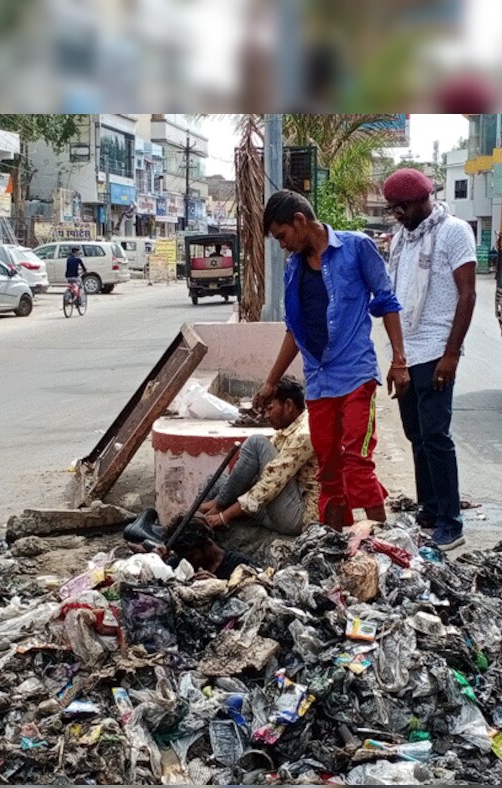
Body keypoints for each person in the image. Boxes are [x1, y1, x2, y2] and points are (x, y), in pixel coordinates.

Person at [254, 189, 409, 530]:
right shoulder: (294, 270)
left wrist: (399, 361)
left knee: (357, 460)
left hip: (356, 373)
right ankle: (337, 544)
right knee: (328, 467)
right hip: (320, 382)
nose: (283, 246)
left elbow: (386, 302)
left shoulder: (356, 248)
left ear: (299, 221)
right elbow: (294, 331)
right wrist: (270, 383)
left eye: (282, 236)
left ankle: (382, 540)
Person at [382, 167, 477, 551]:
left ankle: (451, 522)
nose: (398, 214)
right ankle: (429, 509)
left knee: (437, 436)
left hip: (438, 348)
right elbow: (395, 296)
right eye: (392, 208)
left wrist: (452, 354)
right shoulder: (400, 241)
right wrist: (396, 357)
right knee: (416, 435)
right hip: (408, 351)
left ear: (423, 199)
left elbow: (467, 295)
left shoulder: (453, 231)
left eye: (402, 206)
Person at [198, 376, 319, 536]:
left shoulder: (304, 433)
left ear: (289, 405)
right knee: (215, 482)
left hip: (298, 516)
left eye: (270, 409)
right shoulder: (286, 429)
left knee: (256, 442)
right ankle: (190, 522)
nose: (266, 416)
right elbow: (258, 473)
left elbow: (271, 482)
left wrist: (223, 516)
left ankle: (217, 505)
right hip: (279, 506)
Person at [163, 515, 253, 580]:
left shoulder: (240, 567)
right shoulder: (177, 562)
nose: (187, 562)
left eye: (191, 556)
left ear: (207, 545)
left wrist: (220, 586)